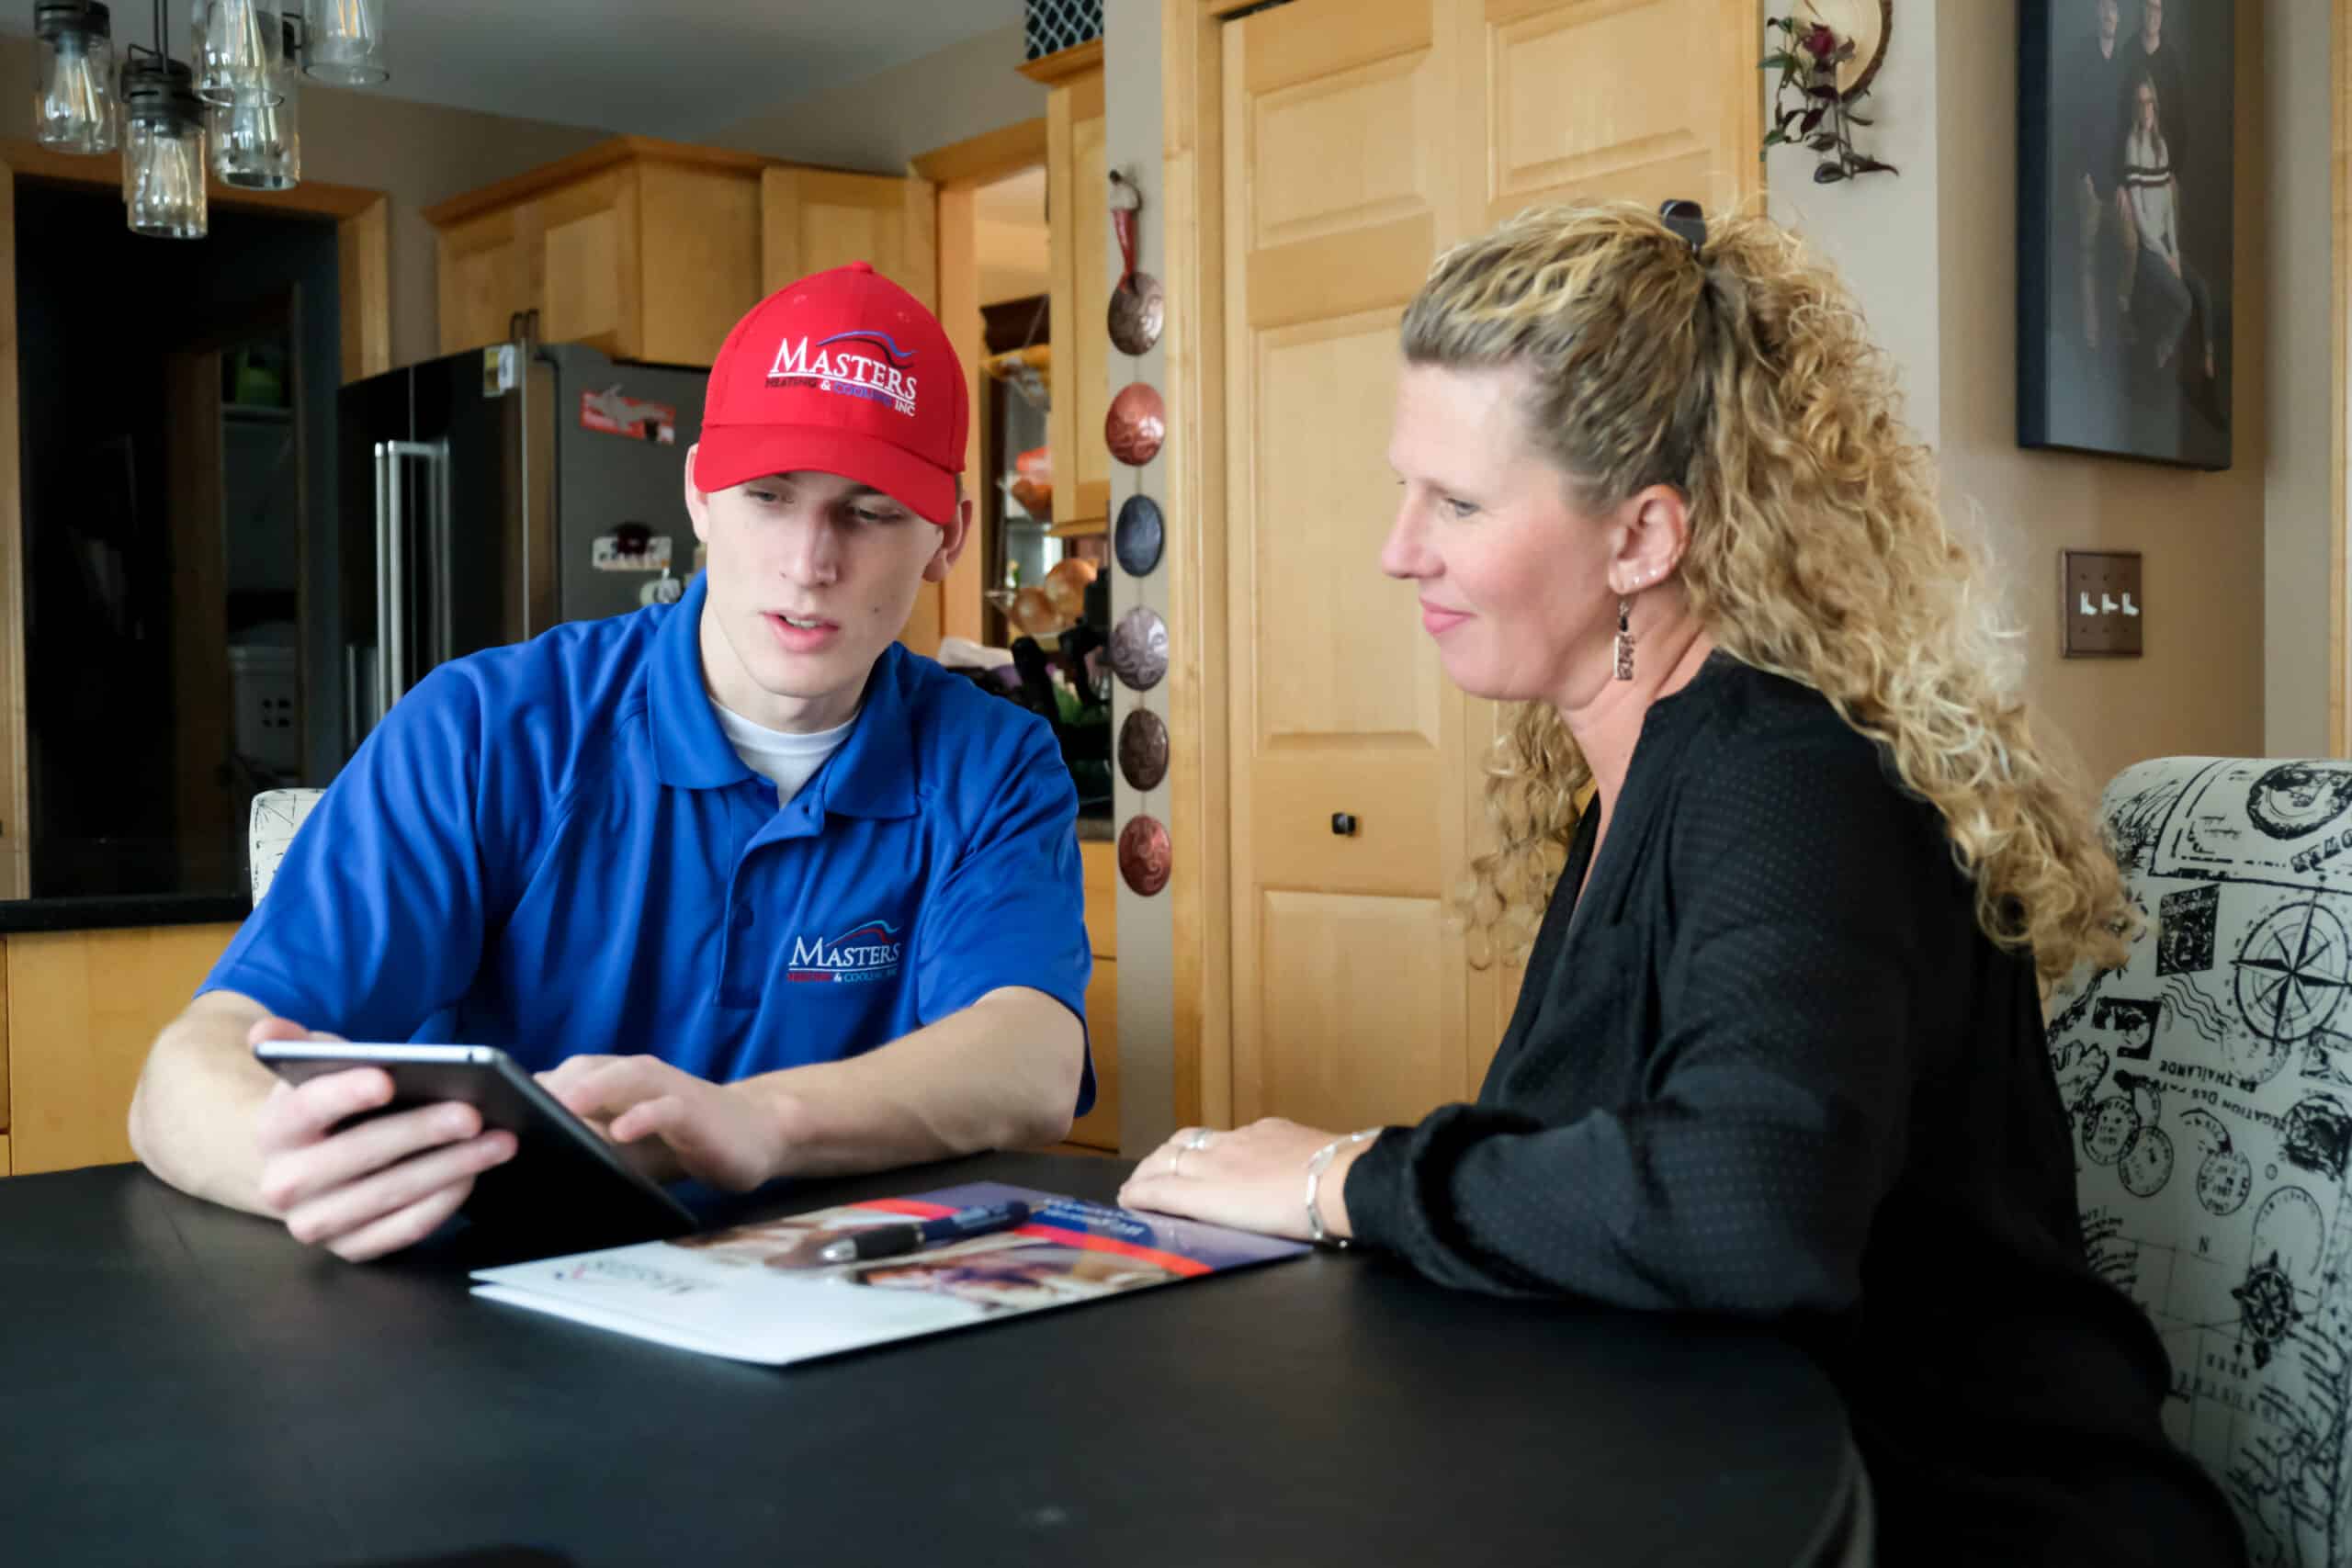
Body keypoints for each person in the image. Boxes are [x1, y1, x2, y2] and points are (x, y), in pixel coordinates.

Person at [1120, 202, 2246, 1564]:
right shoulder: (1627, 765)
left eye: (1458, 502)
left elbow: (1748, 1209)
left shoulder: (1788, 770)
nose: (1397, 547)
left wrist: (1341, 1178)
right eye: (1406, 487)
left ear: (1644, 537)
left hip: (1969, 1526)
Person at [128, 263, 1093, 1262]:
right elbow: (188, 1070)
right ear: (699, 498)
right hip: (497, 1316)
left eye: (871, 510)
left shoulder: (995, 759)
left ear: (948, 537)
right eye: (768, 496)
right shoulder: (487, 727)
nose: (811, 562)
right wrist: (286, 1163)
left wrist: (756, 1120)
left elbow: (1029, 1058)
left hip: (842, 1314)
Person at [2120, 73, 2217, 378]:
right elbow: (2141, 217)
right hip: (2150, 250)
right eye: (2140, 103)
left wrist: (2175, 252)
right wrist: (2164, 255)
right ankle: (2161, 351)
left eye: (2150, 103)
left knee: (2201, 289)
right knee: (2184, 302)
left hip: (2166, 245)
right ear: (2135, 109)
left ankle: (2209, 357)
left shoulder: (2161, 147)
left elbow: (2167, 213)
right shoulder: (2131, 146)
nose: (2146, 109)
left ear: (2156, 107)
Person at [2067, 0, 2135, 350]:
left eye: (2114, 12)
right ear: (2097, 14)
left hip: (2115, 176)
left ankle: (2121, 311)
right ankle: (2089, 330)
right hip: (2089, 177)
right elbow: (2074, 119)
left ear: (2119, 18)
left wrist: (2123, 182)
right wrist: (2083, 172)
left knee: (2128, 245)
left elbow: (2126, 126)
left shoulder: (2123, 64)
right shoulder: (2082, 58)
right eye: (2104, 11)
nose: (2109, 17)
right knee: (2088, 252)